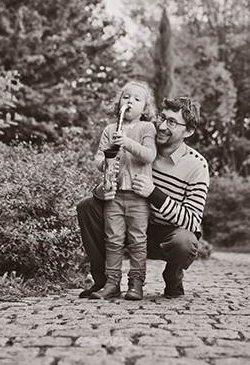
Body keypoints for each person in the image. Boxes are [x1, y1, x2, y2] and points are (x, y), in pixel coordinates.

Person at [78, 96, 209, 300]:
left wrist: (154, 193)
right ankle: (104, 282)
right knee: (88, 205)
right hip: (128, 222)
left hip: (165, 236)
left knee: (185, 241)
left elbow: (192, 220)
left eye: (172, 122)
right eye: (162, 118)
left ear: (189, 131)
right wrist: (101, 191)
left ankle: (173, 277)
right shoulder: (141, 148)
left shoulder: (197, 165)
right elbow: (113, 174)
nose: (163, 126)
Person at [88, 80, 158, 301]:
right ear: (119, 102)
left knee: (138, 240)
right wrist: (102, 163)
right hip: (114, 195)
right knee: (113, 240)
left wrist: (126, 142)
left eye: (137, 99)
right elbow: (99, 156)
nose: (130, 102)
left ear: (145, 108)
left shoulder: (147, 128)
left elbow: (149, 155)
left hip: (138, 197)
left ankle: (136, 283)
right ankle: (111, 283)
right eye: (126, 97)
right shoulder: (110, 130)